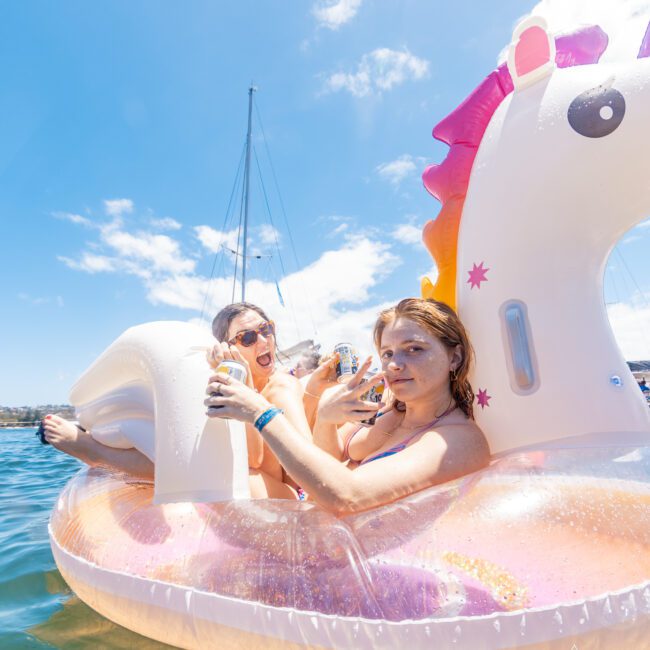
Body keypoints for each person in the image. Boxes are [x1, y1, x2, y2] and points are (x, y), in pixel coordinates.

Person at [205, 297, 491, 515]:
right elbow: (325, 460)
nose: (394, 364)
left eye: (414, 349)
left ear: (455, 358)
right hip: (321, 520)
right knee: (229, 478)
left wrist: (259, 413)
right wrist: (327, 420)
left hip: (351, 558)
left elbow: (348, 497)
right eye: (387, 353)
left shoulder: (459, 439)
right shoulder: (387, 408)